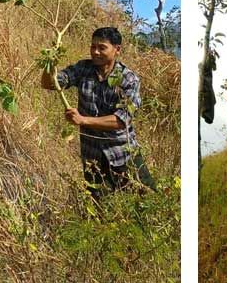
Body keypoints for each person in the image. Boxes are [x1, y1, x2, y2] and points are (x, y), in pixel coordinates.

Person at [41, 27, 156, 200]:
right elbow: (51, 84)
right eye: (93, 47)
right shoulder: (83, 69)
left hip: (123, 154)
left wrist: (83, 120)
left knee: (148, 200)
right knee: (100, 208)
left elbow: (121, 120)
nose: (95, 52)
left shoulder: (128, 79)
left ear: (117, 50)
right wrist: (50, 62)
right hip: (92, 156)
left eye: (102, 47)